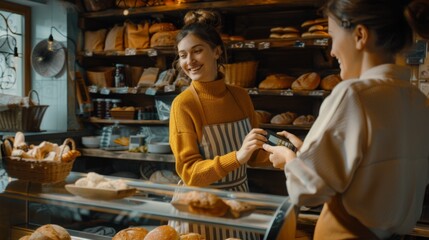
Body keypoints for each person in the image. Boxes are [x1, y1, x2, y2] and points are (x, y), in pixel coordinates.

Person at [262, 0, 429, 239]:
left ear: (360, 35)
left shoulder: (353, 94)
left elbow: (307, 192)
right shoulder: (418, 101)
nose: (331, 51)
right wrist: (308, 155)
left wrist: (289, 160)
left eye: (333, 36)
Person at [168, 9, 271, 240]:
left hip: (238, 204)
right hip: (199, 207)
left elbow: (253, 155)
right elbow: (190, 173)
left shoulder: (240, 96)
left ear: (216, 51)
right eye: (183, 55)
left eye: (197, 51)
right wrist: (237, 157)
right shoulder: (183, 105)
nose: (189, 61)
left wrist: (286, 153)